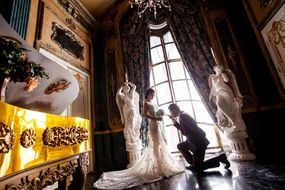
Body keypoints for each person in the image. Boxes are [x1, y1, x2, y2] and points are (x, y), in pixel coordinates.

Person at [94, 88, 184, 189]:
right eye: (152, 94)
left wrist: (164, 115)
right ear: (149, 94)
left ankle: (161, 165)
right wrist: (155, 118)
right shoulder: (146, 103)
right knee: (155, 144)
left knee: (159, 144)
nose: (153, 96)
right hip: (153, 125)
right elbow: (144, 115)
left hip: (158, 124)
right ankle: (158, 167)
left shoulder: (153, 102)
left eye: (154, 94)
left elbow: (158, 112)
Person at [168, 103, 230, 174]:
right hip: (191, 141)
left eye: (170, 112)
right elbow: (186, 131)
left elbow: (194, 129)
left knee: (197, 169)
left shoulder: (183, 116)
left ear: (174, 110)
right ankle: (193, 163)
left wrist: (200, 140)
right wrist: (175, 123)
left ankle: (220, 158)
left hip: (198, 143)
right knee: (180, 146)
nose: (170, 114)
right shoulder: (181, 115)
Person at [208, 65, 246, 131]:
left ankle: (232, 121)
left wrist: (223, 75)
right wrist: (212, 95)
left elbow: (227, 80)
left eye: (221, 70)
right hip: (219, 92)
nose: (220, 71)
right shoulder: (213, 77)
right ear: (215, 70)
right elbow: (213, 86)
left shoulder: (223, 75)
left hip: (226, 90)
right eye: (218, 70)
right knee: (219, 104)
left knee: (222, 104)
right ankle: (231, 119)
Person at [116, 81, 142, 153]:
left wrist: (129, 82)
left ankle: (133, 136)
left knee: (132, 123)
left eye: (127, 88)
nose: (126, 89)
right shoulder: (123, 96)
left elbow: (134, 87)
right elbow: (118, 93)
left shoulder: (131, 93)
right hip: (126, 110)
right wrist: (121, 87)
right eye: (125, 89)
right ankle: (131, 137)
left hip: (132, 109)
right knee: (128, 125)